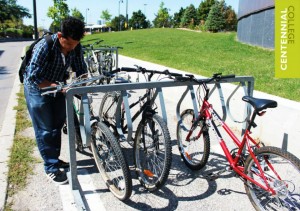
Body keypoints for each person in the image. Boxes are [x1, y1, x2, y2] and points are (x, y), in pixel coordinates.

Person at [23, 17, 87, 185]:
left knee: (57, 125)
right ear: (60, 35)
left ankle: (54, 158)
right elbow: (33, 76)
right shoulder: (44, 46)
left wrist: (84, 84)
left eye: (75, 44)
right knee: (45, 128)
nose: (71, 48)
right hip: (36, 88)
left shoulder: (76, 46)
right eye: (68, 44)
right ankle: (50, 168)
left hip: (58, 86)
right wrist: (58, 87)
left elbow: (81, 69)